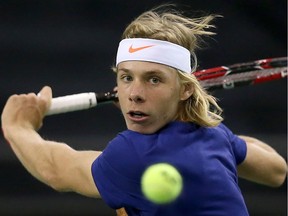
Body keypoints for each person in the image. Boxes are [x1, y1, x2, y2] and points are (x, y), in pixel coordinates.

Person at [1, 5, 287, 216]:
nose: (135, 94)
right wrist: (207, 124)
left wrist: (17, 126)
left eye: (154, 79)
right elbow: (276, 170)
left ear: (186, 89)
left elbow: (55, 170)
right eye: (127, 77)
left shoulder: (133, 154)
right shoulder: (213, 137)